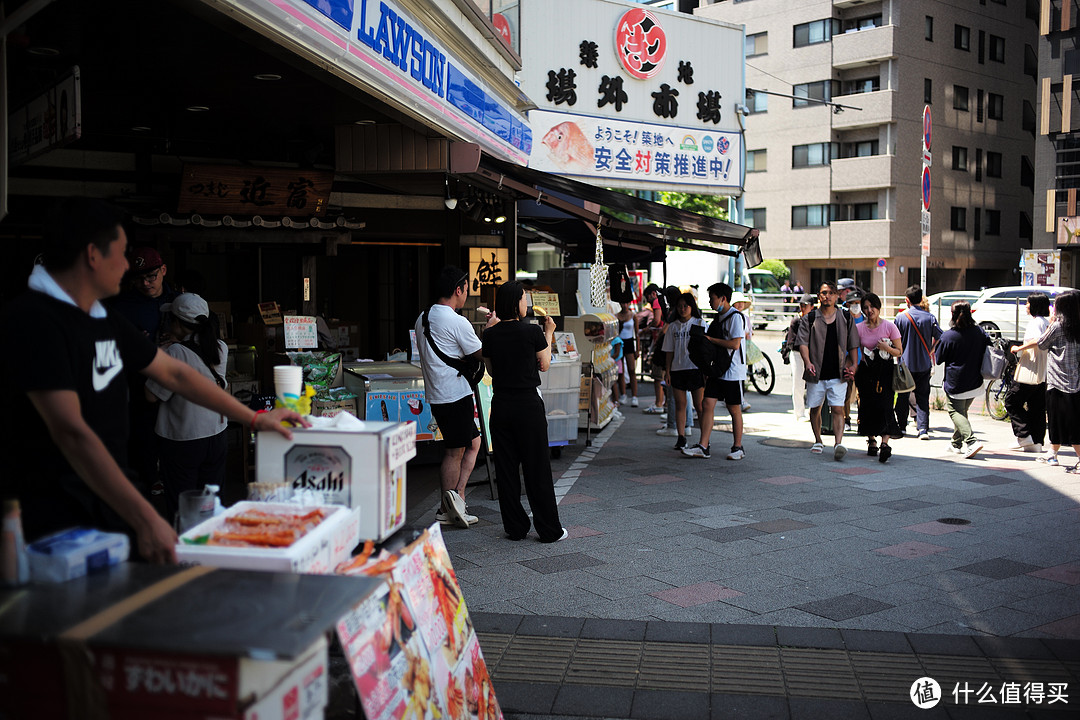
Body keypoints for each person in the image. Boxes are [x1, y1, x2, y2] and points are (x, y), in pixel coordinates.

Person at [0, 197, 304, 563]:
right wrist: (147, 517)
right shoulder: (34, 321)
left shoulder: (101, 317)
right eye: (123, 253)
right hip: (54, 522)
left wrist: (254, 418)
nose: (128, 266)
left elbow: (175, 373)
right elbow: (72, 432)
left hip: (111, 503)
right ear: (94, 255)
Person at [481, 281, 566, 542]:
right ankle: (549, 529)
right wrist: (549, 332)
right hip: (527, 405)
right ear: (516, 303)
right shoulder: (532, 332)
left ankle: (515, 527)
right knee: (536, 466)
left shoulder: (490, 334)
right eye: (524, 299)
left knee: (506, 468)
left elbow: (492, 371)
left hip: (502, 404)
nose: (526, 303)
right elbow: (545, 364)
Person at [414, 266, 494, 530]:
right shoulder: (456, 320)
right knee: (454, 452)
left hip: (437, 394)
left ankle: (457, 497)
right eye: (467, 288)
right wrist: (491, 328)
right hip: (454, 394)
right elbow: (482, 353)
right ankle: (445, 509)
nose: (467, 293)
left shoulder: (423, 317)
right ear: (458, 290)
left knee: (474, 442)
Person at [145, 293, 229, 522]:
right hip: (217, 433)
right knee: (212, 501)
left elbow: (151, 395)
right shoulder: (220, 347)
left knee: (183, 504)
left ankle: (186, 550)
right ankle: (212, 547)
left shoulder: (174, 353)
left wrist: (159, 354)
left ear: (178, 323)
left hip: (183, 440)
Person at [105, 246, 179, 500]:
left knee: (171, 431)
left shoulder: (178, 299)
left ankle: (169, 476)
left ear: (163, 270)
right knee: (143, 434)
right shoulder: (122, 306)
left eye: (152, 277)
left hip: (173, 382)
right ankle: (149, 480)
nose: (146, 284)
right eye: (139, 279)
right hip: (137, 381)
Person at [1013, 290, 1080, 469]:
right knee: (1070, 419)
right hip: (1075, 381)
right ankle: (1052, 453)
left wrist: (1051, 322)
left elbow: (1042, 344)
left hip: (1057, 381)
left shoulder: (1058, 326)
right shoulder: (1077, 326)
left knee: (1058, 419)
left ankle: (1062, 455)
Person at [796, 281, 859, 460]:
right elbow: (802, 343)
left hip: (838, 373)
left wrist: (853, 365)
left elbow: (854, 344)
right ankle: (818, 440)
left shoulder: (846, 318)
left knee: (838, 408)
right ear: (819, 296)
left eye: (831, 293)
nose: (827, 296)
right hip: (816, 372)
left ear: (837, 296)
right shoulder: (809, 318)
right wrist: (807, 362)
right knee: (815, 408)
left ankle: (838, 443)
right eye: (824, 293)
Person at [683, 283, 746, 460]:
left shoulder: (736, 317)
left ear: (723, 298)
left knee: (734, 408)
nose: (710, 302)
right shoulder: (718, 318)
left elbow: (735, 344)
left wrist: (710, 339)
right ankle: (703, 446)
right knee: (707, 404)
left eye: (712, 298)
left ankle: (738, 447)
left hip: (733, 370)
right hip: (717, 369)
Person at [935, 301, 991, 458]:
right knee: (962, 412)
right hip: (975, 381)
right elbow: (989, 346)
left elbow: (939, 359)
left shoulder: (948, 336)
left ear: (952, 315)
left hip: (956, 383)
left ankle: (971, 441)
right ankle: (956, 443)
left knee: (955, 412)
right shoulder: (979, 332)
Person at [854, 293, 903, 463]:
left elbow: (899, 351)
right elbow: (856, 350)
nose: (869, 310)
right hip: (866, 372)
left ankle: (885, 443)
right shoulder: (859, 328)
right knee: (867, 406)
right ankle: (872, 440)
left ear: (878, 307)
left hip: (885, 372)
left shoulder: (890, 326)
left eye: (872, 307)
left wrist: (885, 348)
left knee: (886, 406)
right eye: (865, 308)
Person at [1005, 293, 1052, 454]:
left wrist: (1018, 348)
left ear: (1034, 305)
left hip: (1030, 368)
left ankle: (1024, 436)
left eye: (1028, 303)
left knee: (1012, 401)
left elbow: (1037, 341)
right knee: (1037, 406)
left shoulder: (1035, 322)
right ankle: (1036, 441)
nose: (1026, 305)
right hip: (1043, 371)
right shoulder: (1047, 322)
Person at [893, 286, 942, 441]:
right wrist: (931, 350)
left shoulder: (900, 318)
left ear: (907, 300)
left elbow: (894, 340)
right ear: (921, 299)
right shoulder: (930, 318)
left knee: (902, 397)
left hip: (905, 365)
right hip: (924, 364)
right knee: (922, 397)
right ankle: (922, 429)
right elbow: (941, 337)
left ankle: (901, 426)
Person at [662, 292, 706, 451]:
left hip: (695, 369)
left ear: (691, 307)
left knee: (700, 406)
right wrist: (667, 371)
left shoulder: (700, 324)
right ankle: (681, 438)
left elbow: (705, 349)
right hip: (677, 370)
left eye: (685, 306)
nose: (682, 309)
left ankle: (704, 439)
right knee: (680, 404)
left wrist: (705, 370)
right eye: (679, 306)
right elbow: (669, 351)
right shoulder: (672, 327)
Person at [656, 285, 694, 436]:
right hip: (688, 365)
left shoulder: (674, 320)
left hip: (679, 365)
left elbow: (668, 345)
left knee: (676, 398)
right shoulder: (693, 322)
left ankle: (674, 425)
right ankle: (686, 426)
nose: (682, 309)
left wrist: (667, 369)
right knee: (686, 397)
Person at [786, 294, 815, 420]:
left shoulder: (815, 320)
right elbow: (791, 342)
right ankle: (799, 412)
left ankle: (812, 410)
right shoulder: (796, 320)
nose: (803, 308)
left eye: (805, 306)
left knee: (814, 384)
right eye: (801, 305)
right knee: (798, 383)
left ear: (812, 307)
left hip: (812, 354)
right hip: (797, 354)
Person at [641, 284, 667, 414]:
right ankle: (666, 403)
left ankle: (658, 403)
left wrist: (646, 329)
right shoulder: (665, 301)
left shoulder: (657, 301)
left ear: (653, 294)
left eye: (648, 297)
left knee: (658, 375)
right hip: (667, 343)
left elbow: (657, 321)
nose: (649, 301)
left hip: (661, 342)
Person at [842, 289, 866, 431]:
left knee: (861, 393)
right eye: (853, 303)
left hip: (862, 361)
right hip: (847, 360)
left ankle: (861, 420)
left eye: (858, 303)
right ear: (847, 304)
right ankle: (846, 419)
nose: (856, 306)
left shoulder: (866, 319)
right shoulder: (843, 319)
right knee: (846, 391)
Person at [615, 302, 639, 407]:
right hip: (619, 343)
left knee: (632, 370)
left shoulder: (633, 315)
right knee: (621, 371)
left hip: (629, 342)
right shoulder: (616, 316)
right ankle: (623, 394)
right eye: (623, 303)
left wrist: (638, 349)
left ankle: (634, 396)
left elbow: (637, 333)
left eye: (626, 303)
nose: (624, 305)